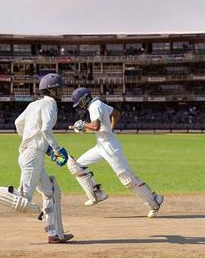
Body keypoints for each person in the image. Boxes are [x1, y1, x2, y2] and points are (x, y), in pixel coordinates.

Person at [0, 73, 74, 243]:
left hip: (31, 153)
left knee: (50, 192)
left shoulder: (34, 105)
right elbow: (47, 129)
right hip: (33, 155)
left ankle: (53, 234)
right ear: (51, 90)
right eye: (59, 89)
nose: (61, 92)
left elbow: (18, 123)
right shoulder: (51, 104)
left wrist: (31, 140)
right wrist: (56, 148)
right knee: (24, 200)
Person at [67, 87, 164, 218]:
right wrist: (109, 129)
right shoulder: (98, 103)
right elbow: (116, 113)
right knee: (76, 165)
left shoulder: (95, 106)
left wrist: (83, 124)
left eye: (80, 103)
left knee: (128, 180)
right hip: (102, 145)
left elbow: (95, 126)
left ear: (85, 98)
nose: (80, 106)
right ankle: (97, 193)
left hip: (110, 147)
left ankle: (154, 201)